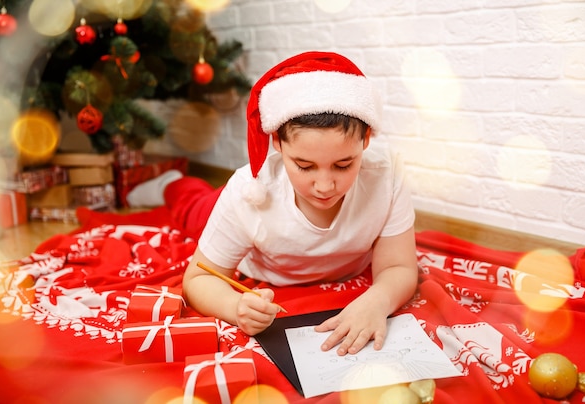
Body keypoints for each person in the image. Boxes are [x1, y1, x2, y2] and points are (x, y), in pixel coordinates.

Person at [132, 51, 418, 356]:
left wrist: (378, 301)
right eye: (305, 166)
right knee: (192, 205)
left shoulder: (386, 175)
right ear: (278, 144)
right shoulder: (248, 192)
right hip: (240, 210)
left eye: (344, 164)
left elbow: (399, 266)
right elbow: (198, 278)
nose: (324, 186)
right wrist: (234, 306)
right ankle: (172, 183)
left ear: (367, 140)